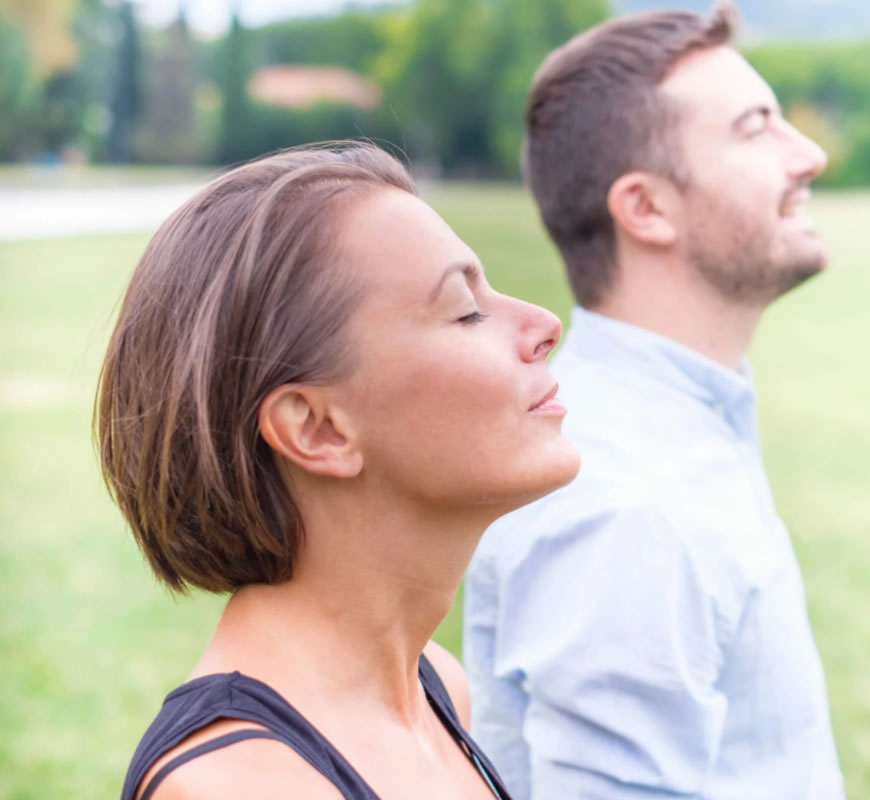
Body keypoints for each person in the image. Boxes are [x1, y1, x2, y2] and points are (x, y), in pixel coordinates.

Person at [98, 141, 580, 800]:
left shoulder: (436, 686)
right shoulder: (236, 788)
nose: (545, 324)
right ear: (316, 428)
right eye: (466, 310)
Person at [464, 4, 844, 799]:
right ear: (646, 208)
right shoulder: (625, 500)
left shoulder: (674, 435)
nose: (807, 155)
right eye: (755, 128)